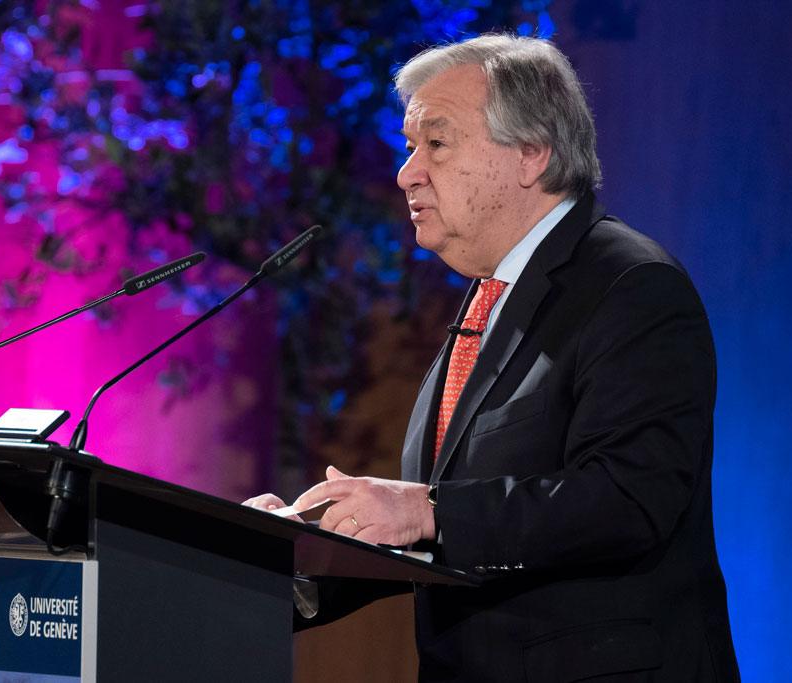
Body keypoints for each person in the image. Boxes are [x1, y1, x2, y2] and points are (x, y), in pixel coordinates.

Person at [244, 34, 740, 682]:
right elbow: (453, 536)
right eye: (408, 147)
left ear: (532, 152)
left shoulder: (632, 286)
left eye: (437, 143)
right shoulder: (489, 298)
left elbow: (629, 497)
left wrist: (426, 508)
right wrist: (301, 555)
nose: (407, 172)